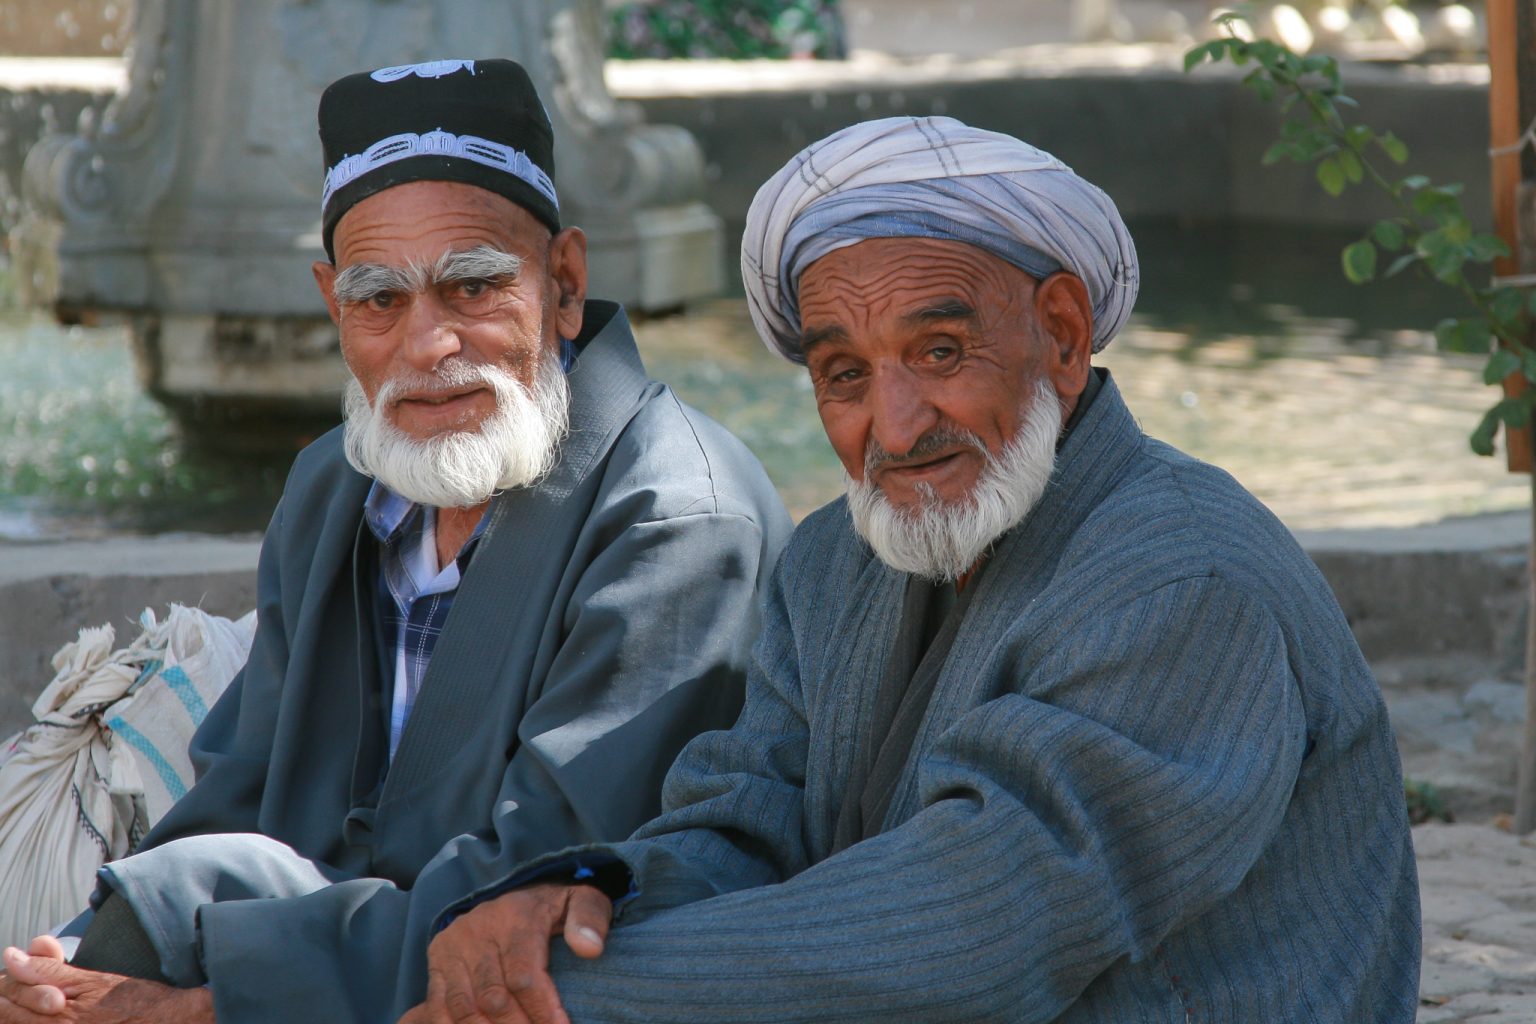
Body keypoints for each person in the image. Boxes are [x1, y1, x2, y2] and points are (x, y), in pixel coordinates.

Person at [395, 116, 1422, 1023]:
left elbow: (986, 921)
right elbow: (748, 826)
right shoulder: (841, 558)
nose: (893, 424)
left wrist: (588, 996)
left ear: (1061, 335)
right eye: (845, 374)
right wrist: (573, 905)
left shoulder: (1182, 579)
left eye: (939, 352)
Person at [0, 58, 791, 1024]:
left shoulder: (677, 522)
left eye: (473, 287)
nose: (428, 345)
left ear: (566, 285)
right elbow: (239, 788)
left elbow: (531, 896)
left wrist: (203, 1006)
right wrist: (72, 963)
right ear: (335, 304)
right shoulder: (337, 483)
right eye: (380, 300)